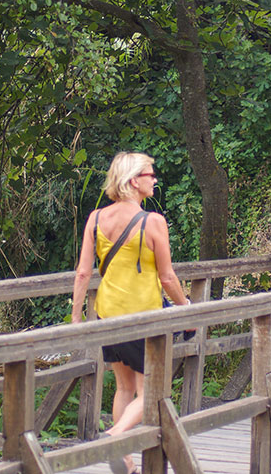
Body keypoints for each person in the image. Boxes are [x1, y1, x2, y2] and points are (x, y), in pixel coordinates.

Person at [71, 152, 190, 474]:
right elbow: (166, 277)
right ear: (134, 181)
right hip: (143, 317)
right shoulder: (152, 222)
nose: (155, 179)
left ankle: (123, 461)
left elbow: (83, 272)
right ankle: (114, 436)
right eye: (150, 174)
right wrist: (187, 308)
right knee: (153, 390)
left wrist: (77, 317)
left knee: (125, 387)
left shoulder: (95, 218)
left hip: (108, 314)